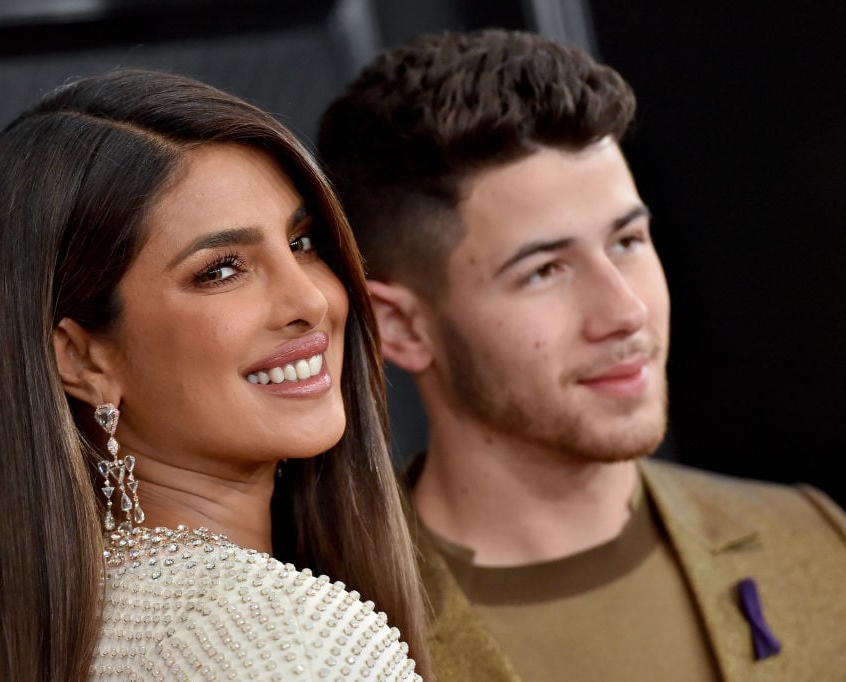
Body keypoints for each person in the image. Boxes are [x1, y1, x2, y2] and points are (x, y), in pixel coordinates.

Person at [317, 28, 846, 681]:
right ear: (400, 327)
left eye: (627, 240)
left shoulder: (817, 543)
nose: (625, 312)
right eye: (545, 270)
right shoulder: (320, 636)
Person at [0, 68, 431, 681]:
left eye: (303, 243)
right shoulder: (281, 634)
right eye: (222, 269)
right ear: (83, 359)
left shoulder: (98, 626)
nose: (309, 301)